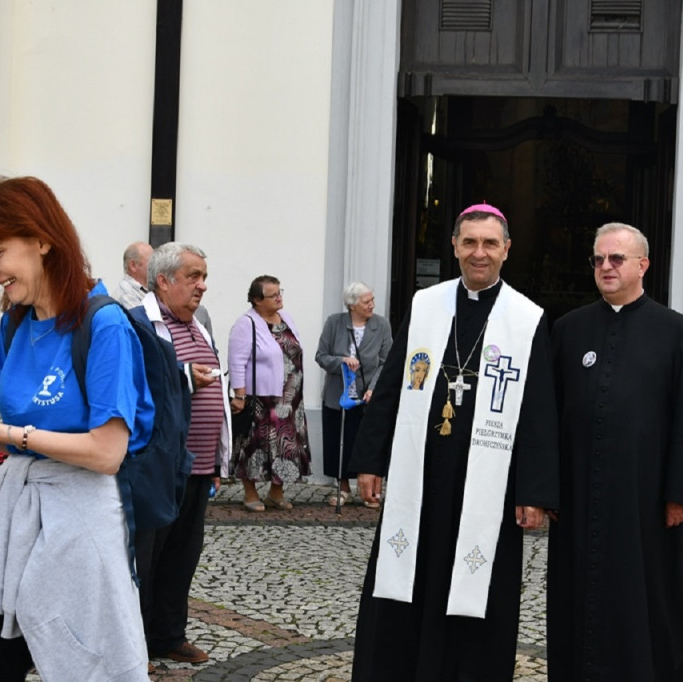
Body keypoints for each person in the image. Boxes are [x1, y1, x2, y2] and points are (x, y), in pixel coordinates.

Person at [0, 175, 155, 680]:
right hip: (14, 520)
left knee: (89, 669)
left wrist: (6, 435)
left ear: (42, 240)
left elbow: (106, 453)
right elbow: (10, 416)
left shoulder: (105, 327)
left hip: (80, 522)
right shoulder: (15, 323)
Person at [349, 204, 559, 681]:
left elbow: (540, 411)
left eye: (489, 243)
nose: (478, 253)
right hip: (418, 477)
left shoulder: (527, 320)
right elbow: (390, 388)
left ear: (507, 250)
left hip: (489, 485)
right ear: (454, 247)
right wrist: (370, 461)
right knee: (406, 582)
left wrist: (534, 491)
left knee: (478, 588)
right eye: (469, 242)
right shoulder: (427, 304)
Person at [548, 222, 683, 681]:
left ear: (643, 265)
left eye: (616, 258)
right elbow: (550, 416)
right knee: (578, 593)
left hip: (647, 498)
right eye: (598, 259)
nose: (605, 267)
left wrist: (679, 493)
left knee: (647, 596)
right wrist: (550, 489)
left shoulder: (677, 332)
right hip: (579, 495)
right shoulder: (568, 329)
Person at [135, 242, 230, 665]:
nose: (202, 286)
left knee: (181, 557)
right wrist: (184, 375)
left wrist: (215, 461)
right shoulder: (139, 324)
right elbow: (140, 381)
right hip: (159, 466)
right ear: (163, 280)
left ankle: (168, 636)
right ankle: (135, 645)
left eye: (203, 276)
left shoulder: (199, 324)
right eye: (193, 276)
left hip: (198, 464)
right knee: (147, 558)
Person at [227, 275, 312, 511]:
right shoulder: (246, 323)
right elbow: (237, 361)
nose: (278, 297)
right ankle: (250, 493)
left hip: (290, 399)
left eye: (279, 292)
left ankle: (276, 492)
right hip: (262, 398)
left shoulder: (286, 318)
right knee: (254, 445)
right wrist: (239, 395)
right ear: (256, 299)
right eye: (272, 295)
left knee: (285, 447)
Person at [315, 282, 393, 507]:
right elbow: (321, 356)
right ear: (352, 305)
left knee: (366, 441)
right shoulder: (334, 323)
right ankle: (343, 487)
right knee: (338, 440)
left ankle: (367, 490)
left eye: (372, 300)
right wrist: (341, 361)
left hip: (368, 396)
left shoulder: (382, 325)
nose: (372, 305)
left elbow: (386, 362)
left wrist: (374, 388)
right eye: (366, 301)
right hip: (338, 395)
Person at [114, 241, 154, 309]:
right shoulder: (126, 294)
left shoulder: (150, 289)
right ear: (133, 266)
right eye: (152, 261)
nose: (156, 265)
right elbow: (143, 319)